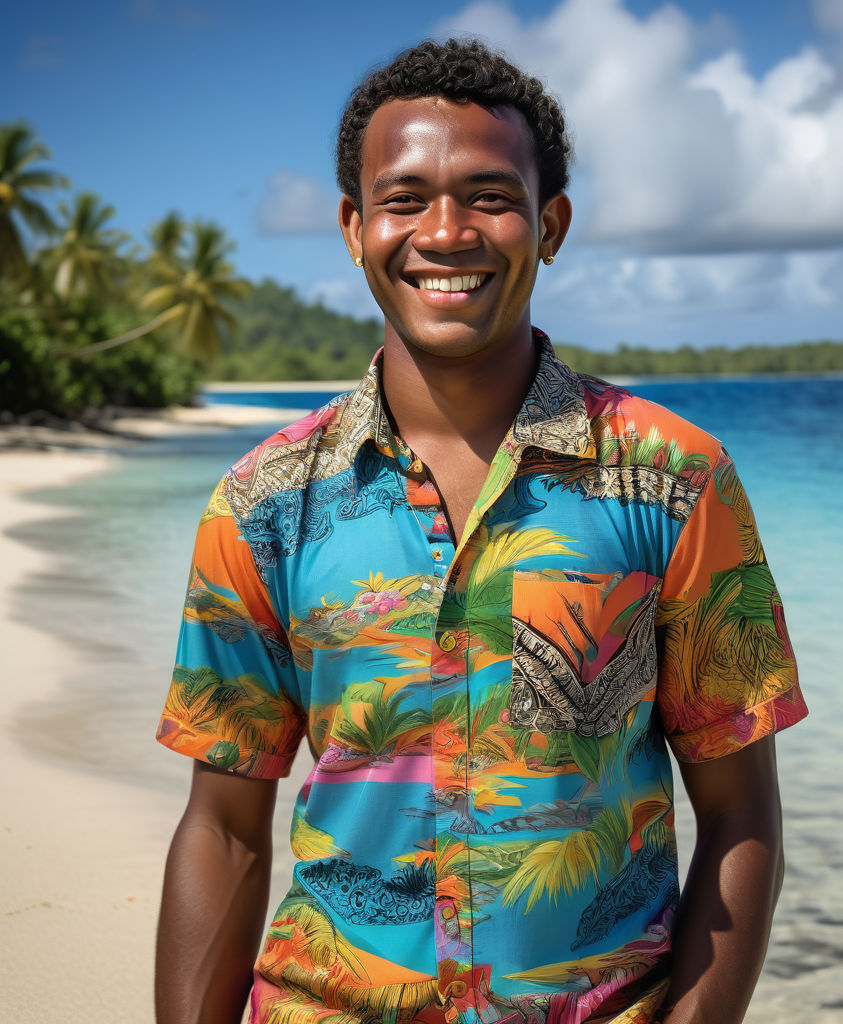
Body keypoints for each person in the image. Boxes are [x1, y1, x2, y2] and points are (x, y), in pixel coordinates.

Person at [155, 37, 808, 1024]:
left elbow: (738, 810)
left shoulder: (674, 480)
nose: (446, 231)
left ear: (549, 225)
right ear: (353, 225)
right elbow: (225, 828)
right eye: (404, 197)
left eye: (489, 196)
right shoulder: (265, 502)